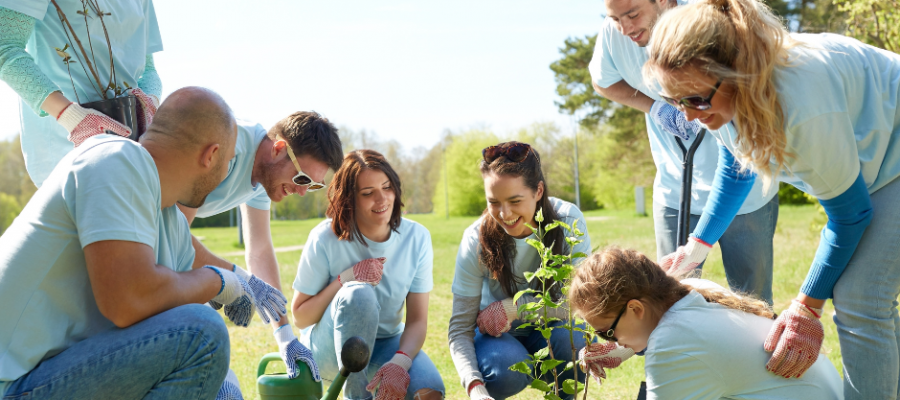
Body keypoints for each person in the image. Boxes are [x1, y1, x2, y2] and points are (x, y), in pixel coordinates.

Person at [643, 0, 900, 397]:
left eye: (695, 100)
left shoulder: (801, 101)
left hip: (895, 162)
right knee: (867, 304)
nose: (689, 116)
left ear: (733, 73)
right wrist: (696, 249)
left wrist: (806, 307)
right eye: (676, 101)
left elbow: (850, 215)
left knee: (859, 300)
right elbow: (736, 165)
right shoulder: (718, 96)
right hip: (876, 164)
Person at [0, 87, 289, 399]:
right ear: (212, 155)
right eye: (228, 162)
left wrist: (227, 389)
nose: (224, 178)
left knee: (200, 333)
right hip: (14, 381)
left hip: (56, 375)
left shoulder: (171, 223)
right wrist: (218, 280)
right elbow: (128, 302)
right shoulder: (115, 160)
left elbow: (176, 344)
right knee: (201, 330)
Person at [588, 0, 778, 303]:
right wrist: (654, 107)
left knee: (752, 302)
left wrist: (705, 106)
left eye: (633, 14)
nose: (625, 29)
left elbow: (738, 162)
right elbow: (603, 82)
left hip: (745, 194)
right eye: (614, 19)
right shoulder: (616, 32)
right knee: (671, 300)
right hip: (675, 190)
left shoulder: (714, 23)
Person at [175, 111, 342, 390]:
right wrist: (239, 279)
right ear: (279, 149)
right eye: (302, 179)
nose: (302, 192)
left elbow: (260, 250)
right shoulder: (227, 149)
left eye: (312, 186)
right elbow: (175, 239)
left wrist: (286, 336)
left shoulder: (265, 175)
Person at [569, 247, 843, 399]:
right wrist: (622, 350)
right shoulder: (691, 289)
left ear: (636, 308)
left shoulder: (671, 344)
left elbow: (680, 345)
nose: (609, 341)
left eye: (607, 333)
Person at [291, 149, 444, 400]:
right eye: (368, 193)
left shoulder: (417, 237)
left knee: (429, 394)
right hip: (329, 347)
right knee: (358, 294)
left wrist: (400, 363)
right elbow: (300, 317)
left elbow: (417, 321)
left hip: (385, 341)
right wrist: (345, 279)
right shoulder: (324, 238)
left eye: (387, 187)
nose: (382, 199)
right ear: (349, 199)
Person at [448, 141, 591, 400]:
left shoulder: (568, 221)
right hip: (496, 338)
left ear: (538, 191)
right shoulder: (475, 239)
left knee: (574, 343)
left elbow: (581, 304)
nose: (504, 213)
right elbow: (460, 328)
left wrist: (516, 307)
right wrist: (475, 388)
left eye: (515, 200)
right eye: (494, 202)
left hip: (552, 329)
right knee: (504, 371)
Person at [0, 0, 163, 187]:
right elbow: (4, 47)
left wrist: (151, 103)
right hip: (67, 153)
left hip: (134, 152)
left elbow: (148, 69)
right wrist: (71, 116)